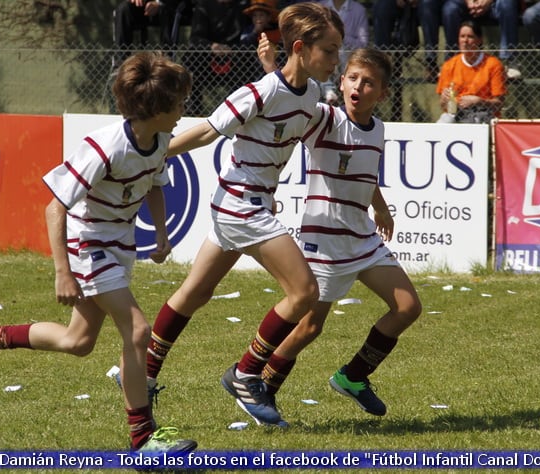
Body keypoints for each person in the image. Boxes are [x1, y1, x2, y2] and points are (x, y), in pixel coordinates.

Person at [0, 51, 198, 453]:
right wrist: (62, 271)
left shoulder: (159, 141)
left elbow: (155, 184)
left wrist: (160, 235)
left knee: (77, 341)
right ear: (155, 108)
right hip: (89, 245)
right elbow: (55, 205)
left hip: (119, 245)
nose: (183, 110)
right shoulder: (104, 147)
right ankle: (144, 439)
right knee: (137, 330)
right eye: (178, 103)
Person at [145, 2, 345, 426]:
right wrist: (151, 153)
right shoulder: (259, 93)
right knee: (304, 292)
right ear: (300, 48)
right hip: (242, 206)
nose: (335, 60)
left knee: (194, 293)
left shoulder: (309, 95)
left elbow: (295, 115)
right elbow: (204, 130)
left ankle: (141, 374)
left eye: (337, 50)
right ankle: (246, 373)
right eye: (328, 50)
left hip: (242, 204)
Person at [256, 39, 423, 417]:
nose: (357, 88)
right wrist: (271, 67)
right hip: (326, 241)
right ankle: (264, 384)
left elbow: (367, 176)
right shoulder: (326, 119)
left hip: (362, 238)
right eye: (352, 78)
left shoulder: (378, 128)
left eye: (367, 83)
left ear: (382, 93)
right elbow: (288, 103)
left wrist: (381, 209)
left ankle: (353, 376)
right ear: (342, 81)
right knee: (310, 327)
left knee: (407, 306)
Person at [419, 0, 521, 81]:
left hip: (494, 4)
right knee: (450, 9)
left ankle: (510, 60)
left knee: (508, 3)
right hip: (464, 3)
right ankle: (452, 62)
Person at [186, 0, 252, 117]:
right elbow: (195, 38)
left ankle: (237, 110)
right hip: (207, 57)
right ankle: (194, 109)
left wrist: (231, 49)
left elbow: (246, 35)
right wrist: (212, 46)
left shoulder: (242, 5)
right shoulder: (203, 6)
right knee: (192, 56)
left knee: (245, 58)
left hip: (235, 54)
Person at [435, 20, 506, 123]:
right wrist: (444, 99)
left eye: (470, 37)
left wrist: (479, 101)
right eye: (462, 36)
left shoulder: (493, 64)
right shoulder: (449, 65)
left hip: (483, 113)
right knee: (444, 121)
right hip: (457, 112)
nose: (465, 41)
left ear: (479, 40)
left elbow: (499, 103)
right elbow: (443, 106)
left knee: (475, 121)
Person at [318, 0, 370, 105]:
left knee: (341, 52)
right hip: (326, 51)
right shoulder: (320, 7)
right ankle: (329, 91)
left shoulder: (359, 10)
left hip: (348, 54)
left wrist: (341, 35)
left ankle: (343, 93)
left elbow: (363, 43)